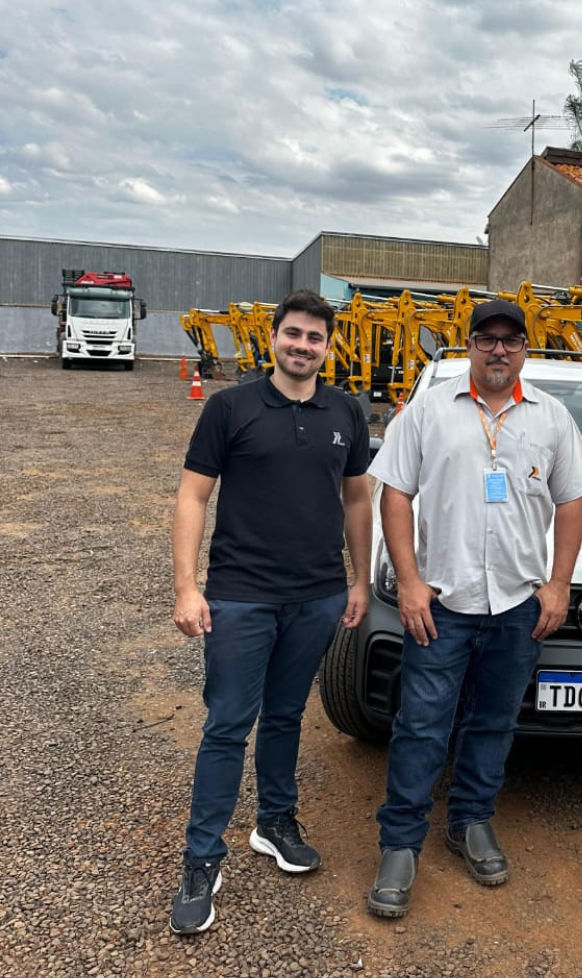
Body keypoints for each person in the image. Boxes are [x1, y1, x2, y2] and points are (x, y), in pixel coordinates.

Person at [365, 298, 582, 918]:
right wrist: (409, 582)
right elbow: (395, 496)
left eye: (510, 340)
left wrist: (559, 585)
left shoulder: (551, 417)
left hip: (518, 605)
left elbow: (572, 503)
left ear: (525, 349)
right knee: (422, 723)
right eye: (487, 339)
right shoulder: (428, 411)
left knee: (494, 721)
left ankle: (470, 820)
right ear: (469, 345)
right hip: (442, 603)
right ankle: (400, 844)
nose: (499, 349)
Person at [168, 288, 372, 935]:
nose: (302, 346)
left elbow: (358, 499)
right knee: (229, 723)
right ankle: (202, 857)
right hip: (240, 595)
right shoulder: (231, 408)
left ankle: (275, 822)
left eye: (315, 337)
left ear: (328, 347)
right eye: (293, 334)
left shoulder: (347, 411)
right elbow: (193, 497)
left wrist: (361, 580)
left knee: (285, 716)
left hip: (317, 596)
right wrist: (186, 587)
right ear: (274, 338)